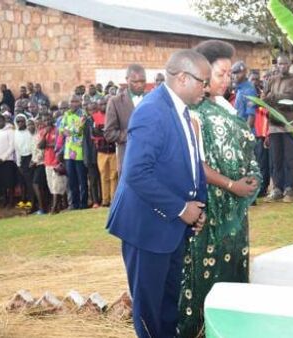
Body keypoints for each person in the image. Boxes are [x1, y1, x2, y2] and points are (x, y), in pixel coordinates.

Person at [106, 50, 210, 338]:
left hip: (171, 226)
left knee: (167, 306)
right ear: (183, 78)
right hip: (147, 227)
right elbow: (136, 172)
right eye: (204, 81)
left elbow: (191, 164)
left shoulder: (181, 110)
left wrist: (198, 208)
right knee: (150, 311)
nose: (207, 87)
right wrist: (181, 208)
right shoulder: (153, 110)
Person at [177, 40, 260, 338]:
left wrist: (249, 180)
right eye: (221, 73)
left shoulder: (224, 105)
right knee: (205, 275)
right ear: (201, 73)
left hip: (234, 211)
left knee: (233, 268)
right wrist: (231, 184)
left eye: (230, 74)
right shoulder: (193, 112)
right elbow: (196, 164)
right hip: (209, 209)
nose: (227, 80)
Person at [263, 55, 293, 203]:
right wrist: (273, 97)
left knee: (290, 158)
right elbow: (264, 97)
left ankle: (289, 188)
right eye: (279, 64)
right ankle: (277, 188)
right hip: (274, 124)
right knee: (275, 159)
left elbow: (290, 98)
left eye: (285, 63)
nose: (282, 66)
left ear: (289, 64)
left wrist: (272, 97)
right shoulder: (273, 80)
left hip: (290, 124)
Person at [105, 64, 147, 173]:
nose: (139, 85)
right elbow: (109, 133)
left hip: (152, 162)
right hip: (128, 163)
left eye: (142, 81)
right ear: (127, 80)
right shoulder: (115, 102)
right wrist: (132, 135)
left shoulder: (153, 99)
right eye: (135, 82)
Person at [60, 95, 88, 210]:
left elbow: (78, 130)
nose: (72, 103)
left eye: (75, 101)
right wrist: (65, 130)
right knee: (72, 180)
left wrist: (68, 130)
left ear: (80, 102)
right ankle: (74, 204)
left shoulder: (83, 114)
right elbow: (61, 129)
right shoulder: (66, 115)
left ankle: (83, 204)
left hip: (79, 152)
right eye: (71, 101)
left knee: (82, 180)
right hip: (68, 153)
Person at [92, 97, 117, 207]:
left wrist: (104, 133)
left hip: (113, 151)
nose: (103, 105)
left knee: (114, 176)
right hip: (101, 151)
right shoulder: (94, 117)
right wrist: (106, 134)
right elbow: (93, 134)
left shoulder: (113, 115)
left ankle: (114, 199)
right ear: (97, 106)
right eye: (101, 104)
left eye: (105, 103)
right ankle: (105, 200)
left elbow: (115, 131)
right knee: (104, 176)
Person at [250, 71, 271, 197]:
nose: (254, 82)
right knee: (255, 163)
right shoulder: (249, 95)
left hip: (262, 134)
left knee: (263, 164)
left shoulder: (264, 96)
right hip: (253, 133)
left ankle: (262, 188)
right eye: (252, 79)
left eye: (257, 79)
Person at [41, 114, 67, 214]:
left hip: (57, 161)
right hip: (47, 162)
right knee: (51, 186)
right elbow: (40, 145)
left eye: (49, 119)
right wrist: (45, 134)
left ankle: (54, 208)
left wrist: (49, 145)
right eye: (45, 120)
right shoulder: (44, 131)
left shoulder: (57, 129)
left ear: (52, 119)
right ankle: (58, 207)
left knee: (57, 185)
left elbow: (58, 144)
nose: (47, 121)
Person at [0, 114, 16, 208]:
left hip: (7, 160)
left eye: (0, 121)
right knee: (2, 183)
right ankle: (5, 200)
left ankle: (11, 201)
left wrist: (3, 158)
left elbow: (12, 147)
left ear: (4, 121)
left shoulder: (10, 131)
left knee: (9, 183)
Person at [14, 114, 34, 211]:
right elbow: (17, 149)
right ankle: (23, 200)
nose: (20, 123)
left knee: (29, 182)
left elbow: (33, 147)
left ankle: (31, 202)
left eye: (22, 121)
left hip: (30, 158)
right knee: (22, 182)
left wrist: (33, 159)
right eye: (18, 121)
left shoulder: (29, 132)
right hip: (21, 159)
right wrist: (18, 164)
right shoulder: (16, 133)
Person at [29, 118, 47, 214]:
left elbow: (42, 151)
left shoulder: (43, 135)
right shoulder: (35, 135)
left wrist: (35, 161)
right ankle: (42, 207)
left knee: (36, 185)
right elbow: (34, 151)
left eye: (40, 123)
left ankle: (42, 208)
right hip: (36, 163)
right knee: (38, 186)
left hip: (42, 163)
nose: (38, 126)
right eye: (37, 124)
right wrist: (32, 160)